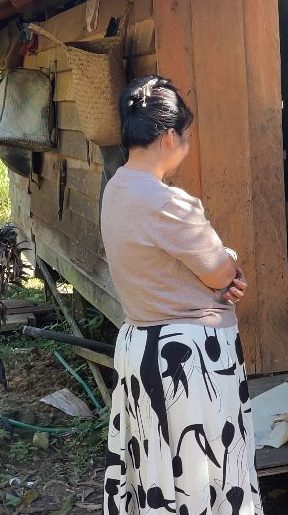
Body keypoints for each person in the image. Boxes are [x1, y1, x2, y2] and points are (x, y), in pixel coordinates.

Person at [101, 75, 262, 515]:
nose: (186, 144)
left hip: (139, 346)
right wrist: (229, 265)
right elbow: (218, 270)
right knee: (202, 473)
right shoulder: (167, 202)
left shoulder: (116, 188)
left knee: (157, 470)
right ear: (170, 137)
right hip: (188, 361)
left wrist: (219, 272)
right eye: (186, 136)